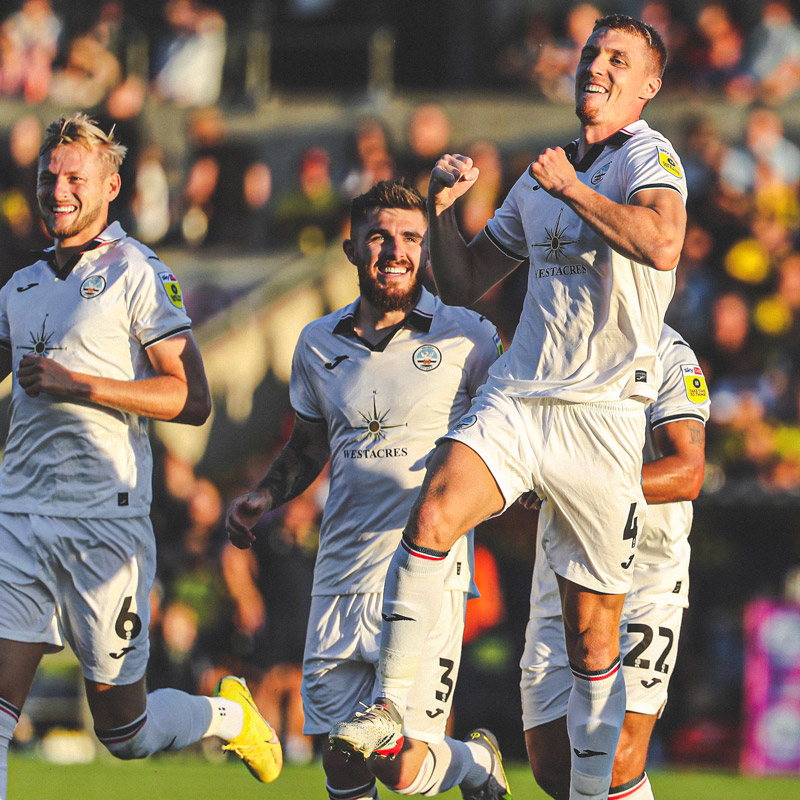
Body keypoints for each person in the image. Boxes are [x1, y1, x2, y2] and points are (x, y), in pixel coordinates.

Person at [329, 15, 688, 800]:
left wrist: (573, 187)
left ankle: (598, 793)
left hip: (604, 419)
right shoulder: (541, 173)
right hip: (522, 396)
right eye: (593, 52)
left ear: (646, 86)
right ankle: (394, 704)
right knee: (432, 514)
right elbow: (462, 284)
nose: (597, 64)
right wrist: (446, 206)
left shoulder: (646, 157)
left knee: (595, 645)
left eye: (618, 59)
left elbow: (662, 243)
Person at [0, 113, 281, 797]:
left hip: (105, 522)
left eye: (74, 178)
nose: (57, 190)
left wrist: (82, 385)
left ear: (111, 186)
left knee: (123, 732)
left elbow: (192, 398)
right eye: (48, 177)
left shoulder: (138, 272)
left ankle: (225, 714)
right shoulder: (18, 287)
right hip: (20, 517)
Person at [226, 179, 511, 800]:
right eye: (379, 236)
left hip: (424, 577)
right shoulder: (316, 343)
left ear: (426, 250)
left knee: (398, 769)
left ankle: (472, 764)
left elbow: (509, 437)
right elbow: (307, 446)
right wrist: (265, 496)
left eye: (411, 237)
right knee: (339, 759)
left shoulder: (467, 336)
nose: (396, 251)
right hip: (337, 574)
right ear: (353, 247)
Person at [522, 324, 709, 800]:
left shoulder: (669, 351)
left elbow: (687, 472)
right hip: (566, 561)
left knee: (620, 756)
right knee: (552, 764)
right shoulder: (555, 338)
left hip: (647, 570)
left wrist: (580, 486)